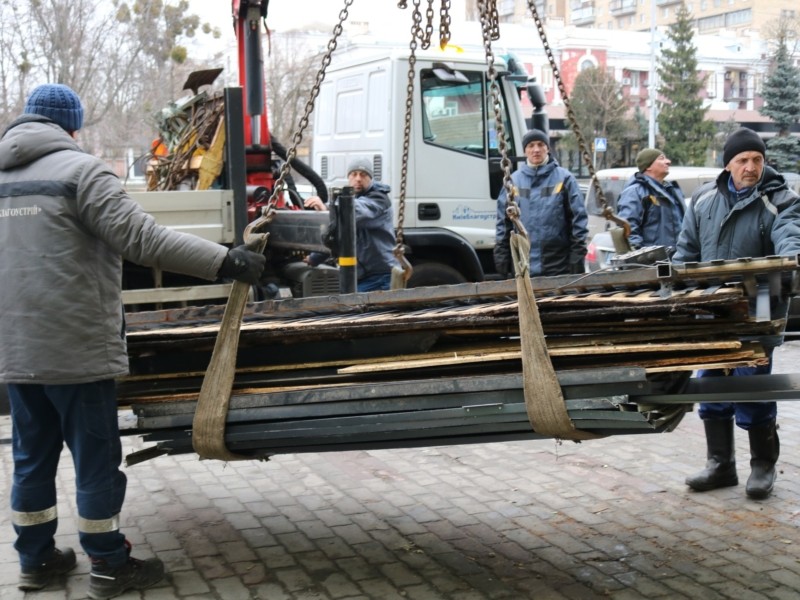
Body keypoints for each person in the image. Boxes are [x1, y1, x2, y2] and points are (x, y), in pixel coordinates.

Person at [0, 84, 265, 597]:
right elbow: (142, 239)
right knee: (95, 460)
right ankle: (108, 564)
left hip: (16, 349)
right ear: (70, 127)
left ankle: (35, 561)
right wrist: (225, 260)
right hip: (76, 350)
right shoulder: (81, 172)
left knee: (31, 459)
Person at [673, 127, 800, 500]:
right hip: (713, 304)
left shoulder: (781, 199)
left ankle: (762, 464)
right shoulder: (702, 200)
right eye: (743, 160)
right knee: (710, 379)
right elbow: (686, 250)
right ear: (728, 163)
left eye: (757, 159)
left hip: (760, 300)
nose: (751, 167)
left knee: (751, 383)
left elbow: (790, 236)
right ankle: (720, 464)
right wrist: (679, 289)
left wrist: (792, 257)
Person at [494, 129, 588, 277]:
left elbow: (578, 219)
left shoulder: (565, 179)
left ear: (547, 148)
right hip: (523, 265)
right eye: (531, 145)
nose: (536, 150)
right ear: (525, 150)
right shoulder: (513, 182)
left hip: (558, 265)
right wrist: (501, 252)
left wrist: (577, 253)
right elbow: (503, 221)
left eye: (540, 144)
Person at [304, 158, 398, 292]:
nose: (358, 179)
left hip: (381, 276)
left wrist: (325, 208)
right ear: (348, 178)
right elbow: (338, 233)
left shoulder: (379, 199)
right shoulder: (351, 199)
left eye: (363, 175)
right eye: (354, 174)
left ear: (370, 178)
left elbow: (353, 212)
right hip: (360, 275)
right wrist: (314, 258)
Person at [616, 148, 685, 251]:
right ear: (648, 166)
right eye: (661, 159)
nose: (668, 162)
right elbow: (629, 230)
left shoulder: (672, 191)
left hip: (675, 261)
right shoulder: (635, 192)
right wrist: (642, 258)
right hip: (652, 263)